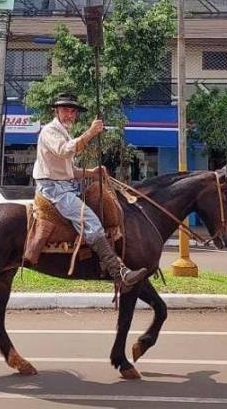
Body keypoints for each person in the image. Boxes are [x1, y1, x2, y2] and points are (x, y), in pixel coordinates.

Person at [32, 93, 147, 291]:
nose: (69, 114)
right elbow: (65, 150)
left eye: (73, 111)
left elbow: (69, 171)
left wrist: (91, 173)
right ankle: (118, 272)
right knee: (90, 220)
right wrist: (91, 132)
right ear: (56, 111)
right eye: (65, 110)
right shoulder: (50, 131)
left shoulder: (63, 132)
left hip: (66, 184)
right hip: (53, 189)